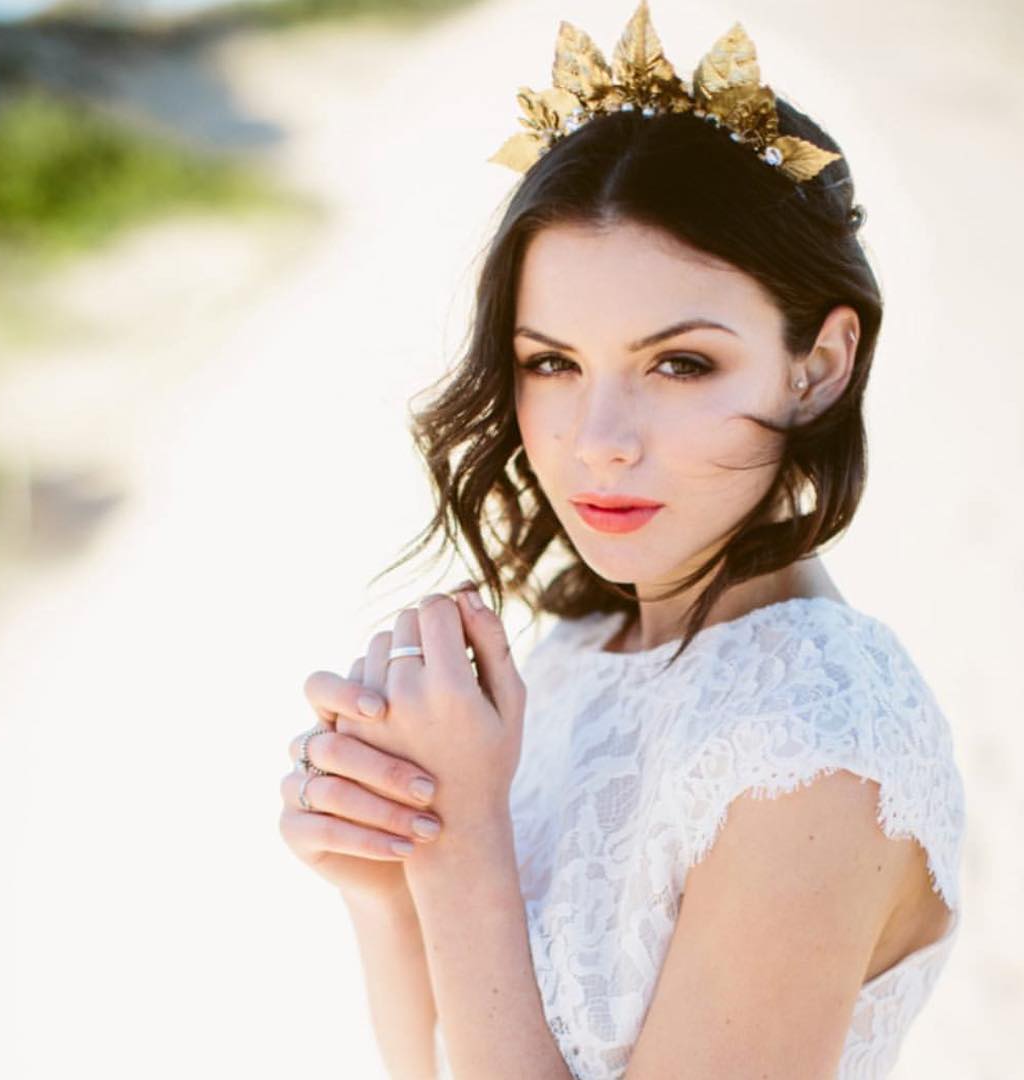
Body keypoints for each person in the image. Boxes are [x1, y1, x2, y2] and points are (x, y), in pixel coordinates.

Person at [277, 4, 966, 1077]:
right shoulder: (581, 655)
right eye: (552, 362)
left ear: (818, 367)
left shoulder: (817, 735)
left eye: (680, 364)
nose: (598, 443)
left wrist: (463, 847)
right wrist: (390, 882)